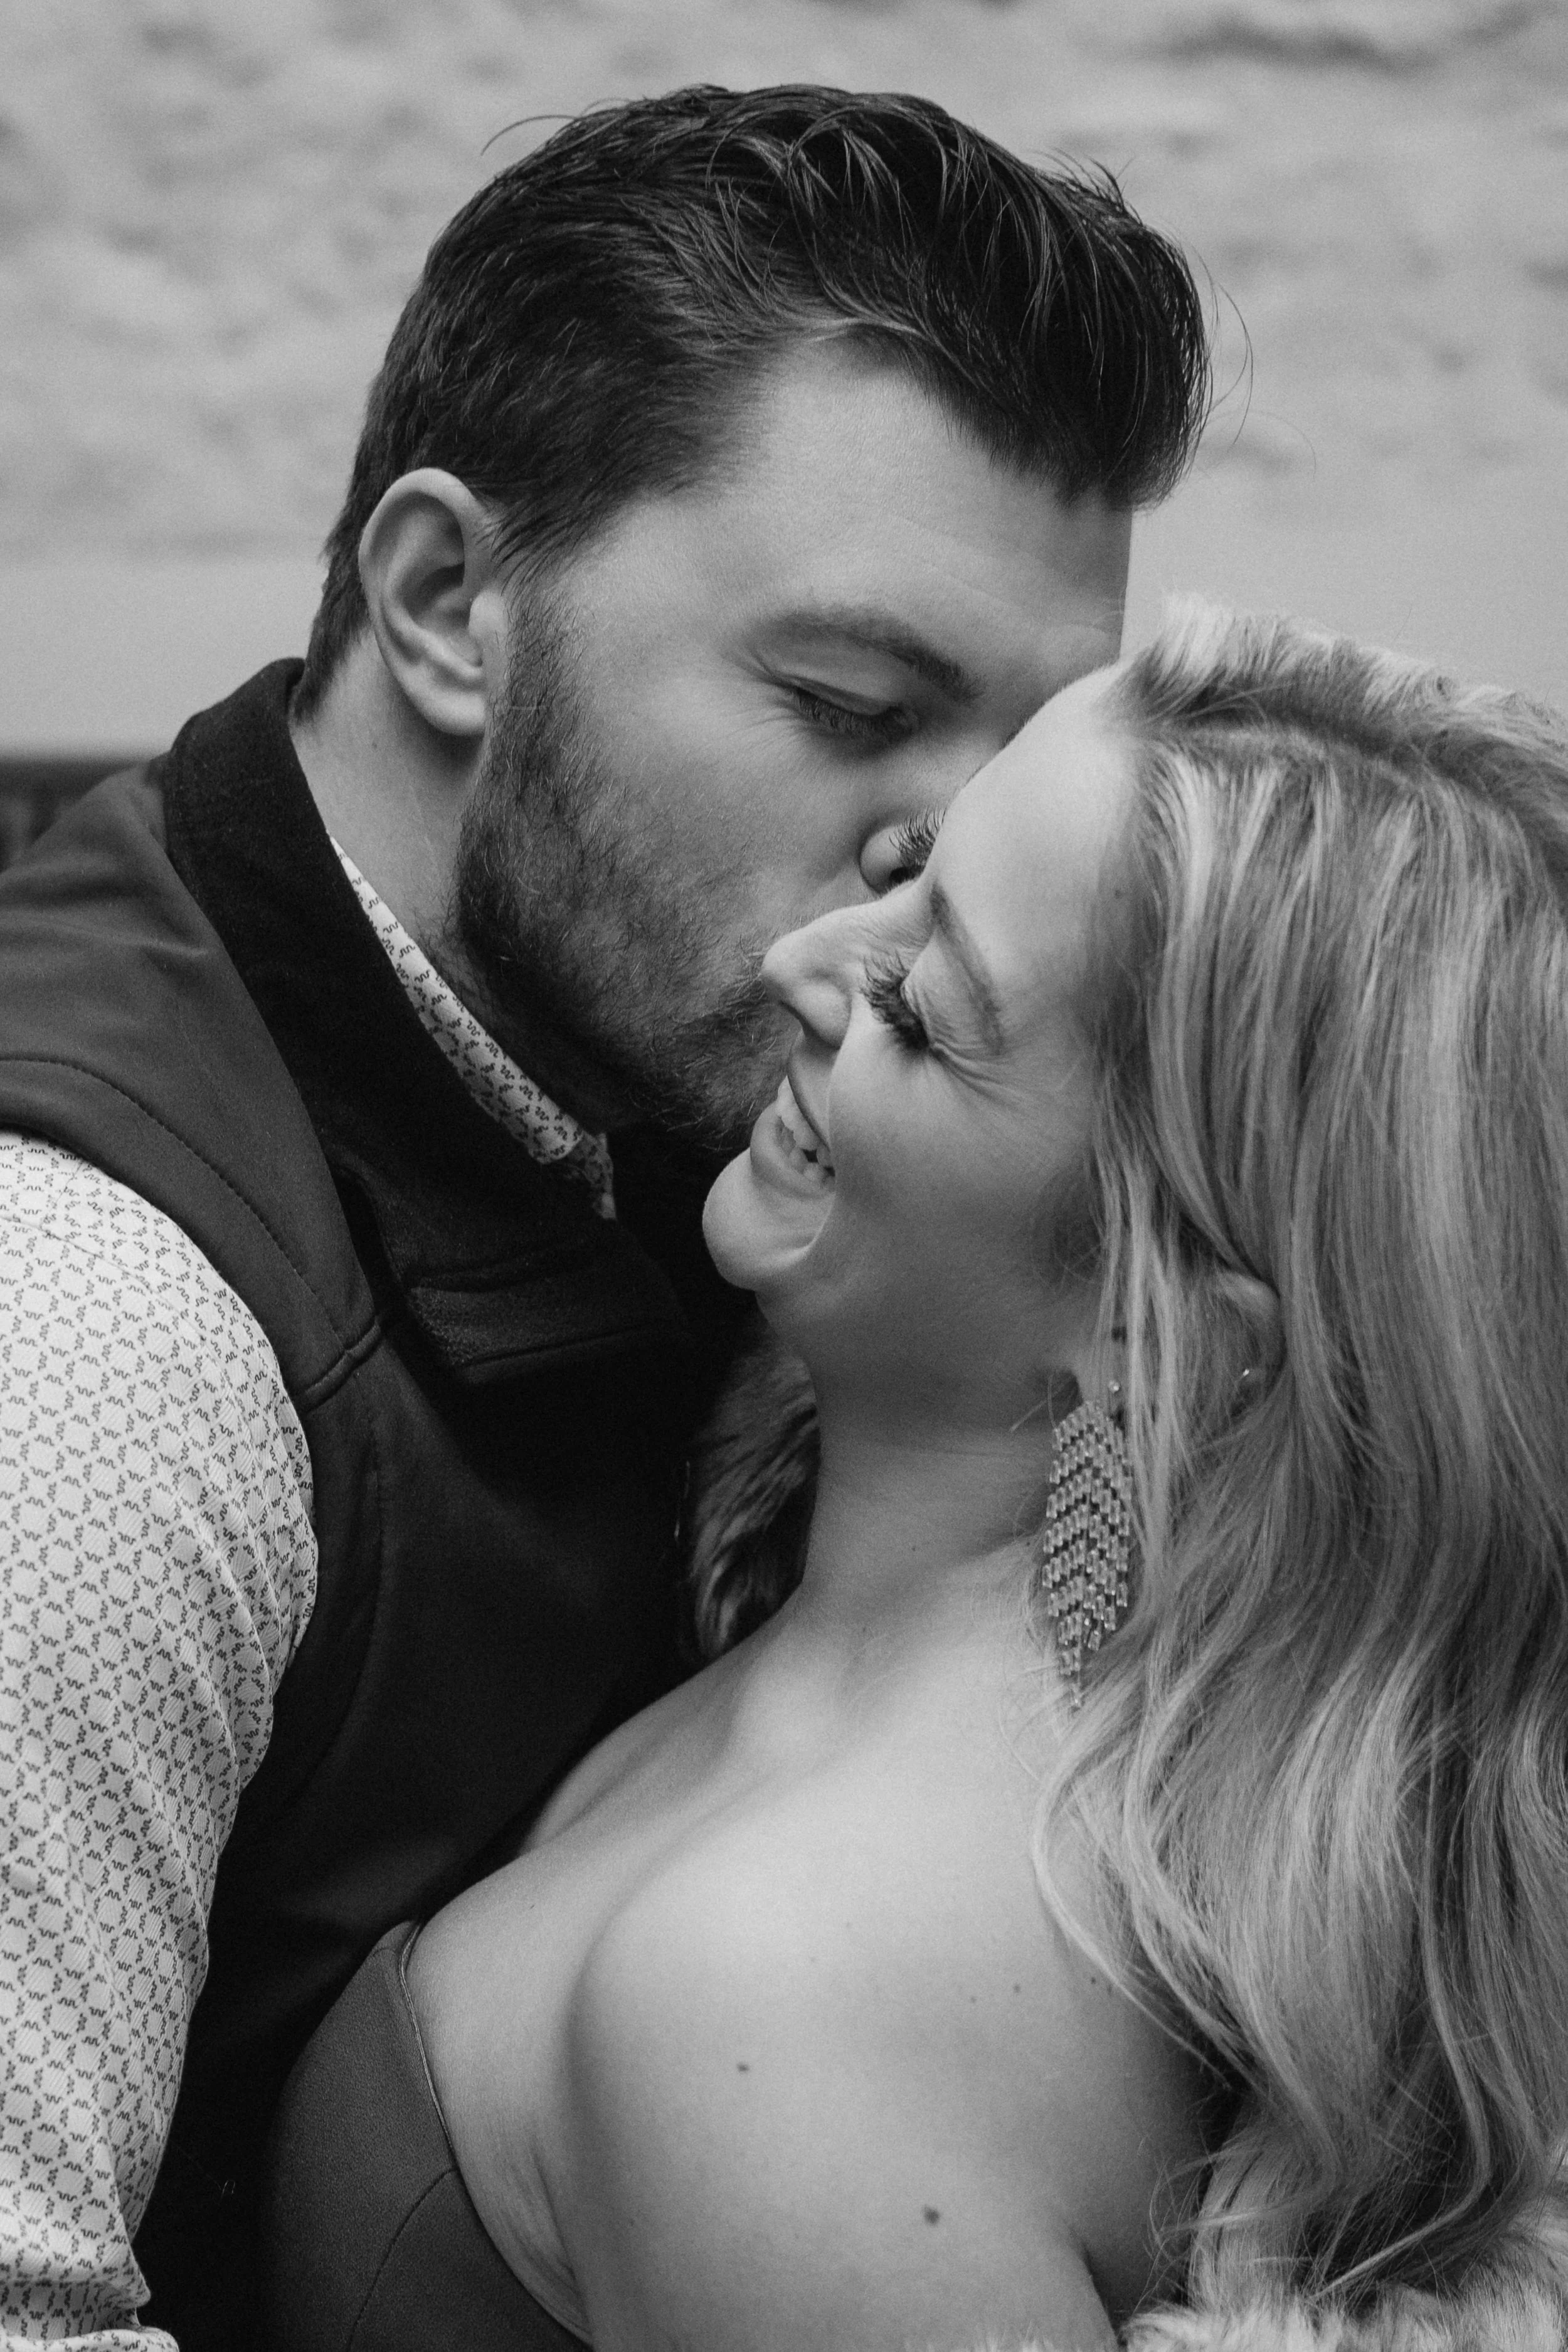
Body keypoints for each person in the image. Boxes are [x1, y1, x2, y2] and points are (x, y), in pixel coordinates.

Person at [0, 82, 1210, 2352]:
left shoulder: (678, 1049)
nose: (941, 865)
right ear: (450, 602)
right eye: (852, 704)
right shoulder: (88, 1331)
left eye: (1023, 756)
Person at [264, 603, 1568, 2352]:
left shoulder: (787, 2006)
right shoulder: (876, 1634)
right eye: (908, 875)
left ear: (1161, 1326)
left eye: (921, 1007)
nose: (812, 962)